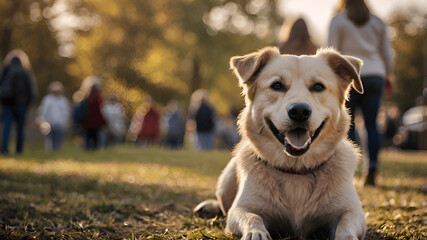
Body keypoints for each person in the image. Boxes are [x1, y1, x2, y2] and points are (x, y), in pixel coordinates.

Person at [328, 0, 394, 186]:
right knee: (372, 123)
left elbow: (331, 51)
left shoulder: (339, 21)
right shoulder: (378, 22)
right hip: (376, 75)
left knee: (349, 124)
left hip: (348, 75)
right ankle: (372, 167)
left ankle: (350, 170)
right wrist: (389, 74)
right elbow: (387, 53)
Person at [0, 50, 37, 154]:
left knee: (6, 127)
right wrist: (29, 104)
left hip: (7, 104)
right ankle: (19, 150)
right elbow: (32, 90)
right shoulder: (26, 72)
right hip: (21, 105)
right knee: (20, 129)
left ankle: (5, 149)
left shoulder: (6, 70)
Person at [73, 76, 106, 150]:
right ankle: (93, 149)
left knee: (88, 137)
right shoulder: (98, 97)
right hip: (94, 122)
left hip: (87, 122)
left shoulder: (85, 96)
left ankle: (88, 148)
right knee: (94, 137)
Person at [38, 81, 70, 151]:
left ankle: (57, 149)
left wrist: (66, 121)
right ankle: (50, 150)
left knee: (58, 138)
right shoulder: (47, 99)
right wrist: (42, 121)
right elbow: (43, 111)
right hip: (49, 123)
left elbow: (66, 112)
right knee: (49, 139)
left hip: (60, 123)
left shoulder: (63, 100)